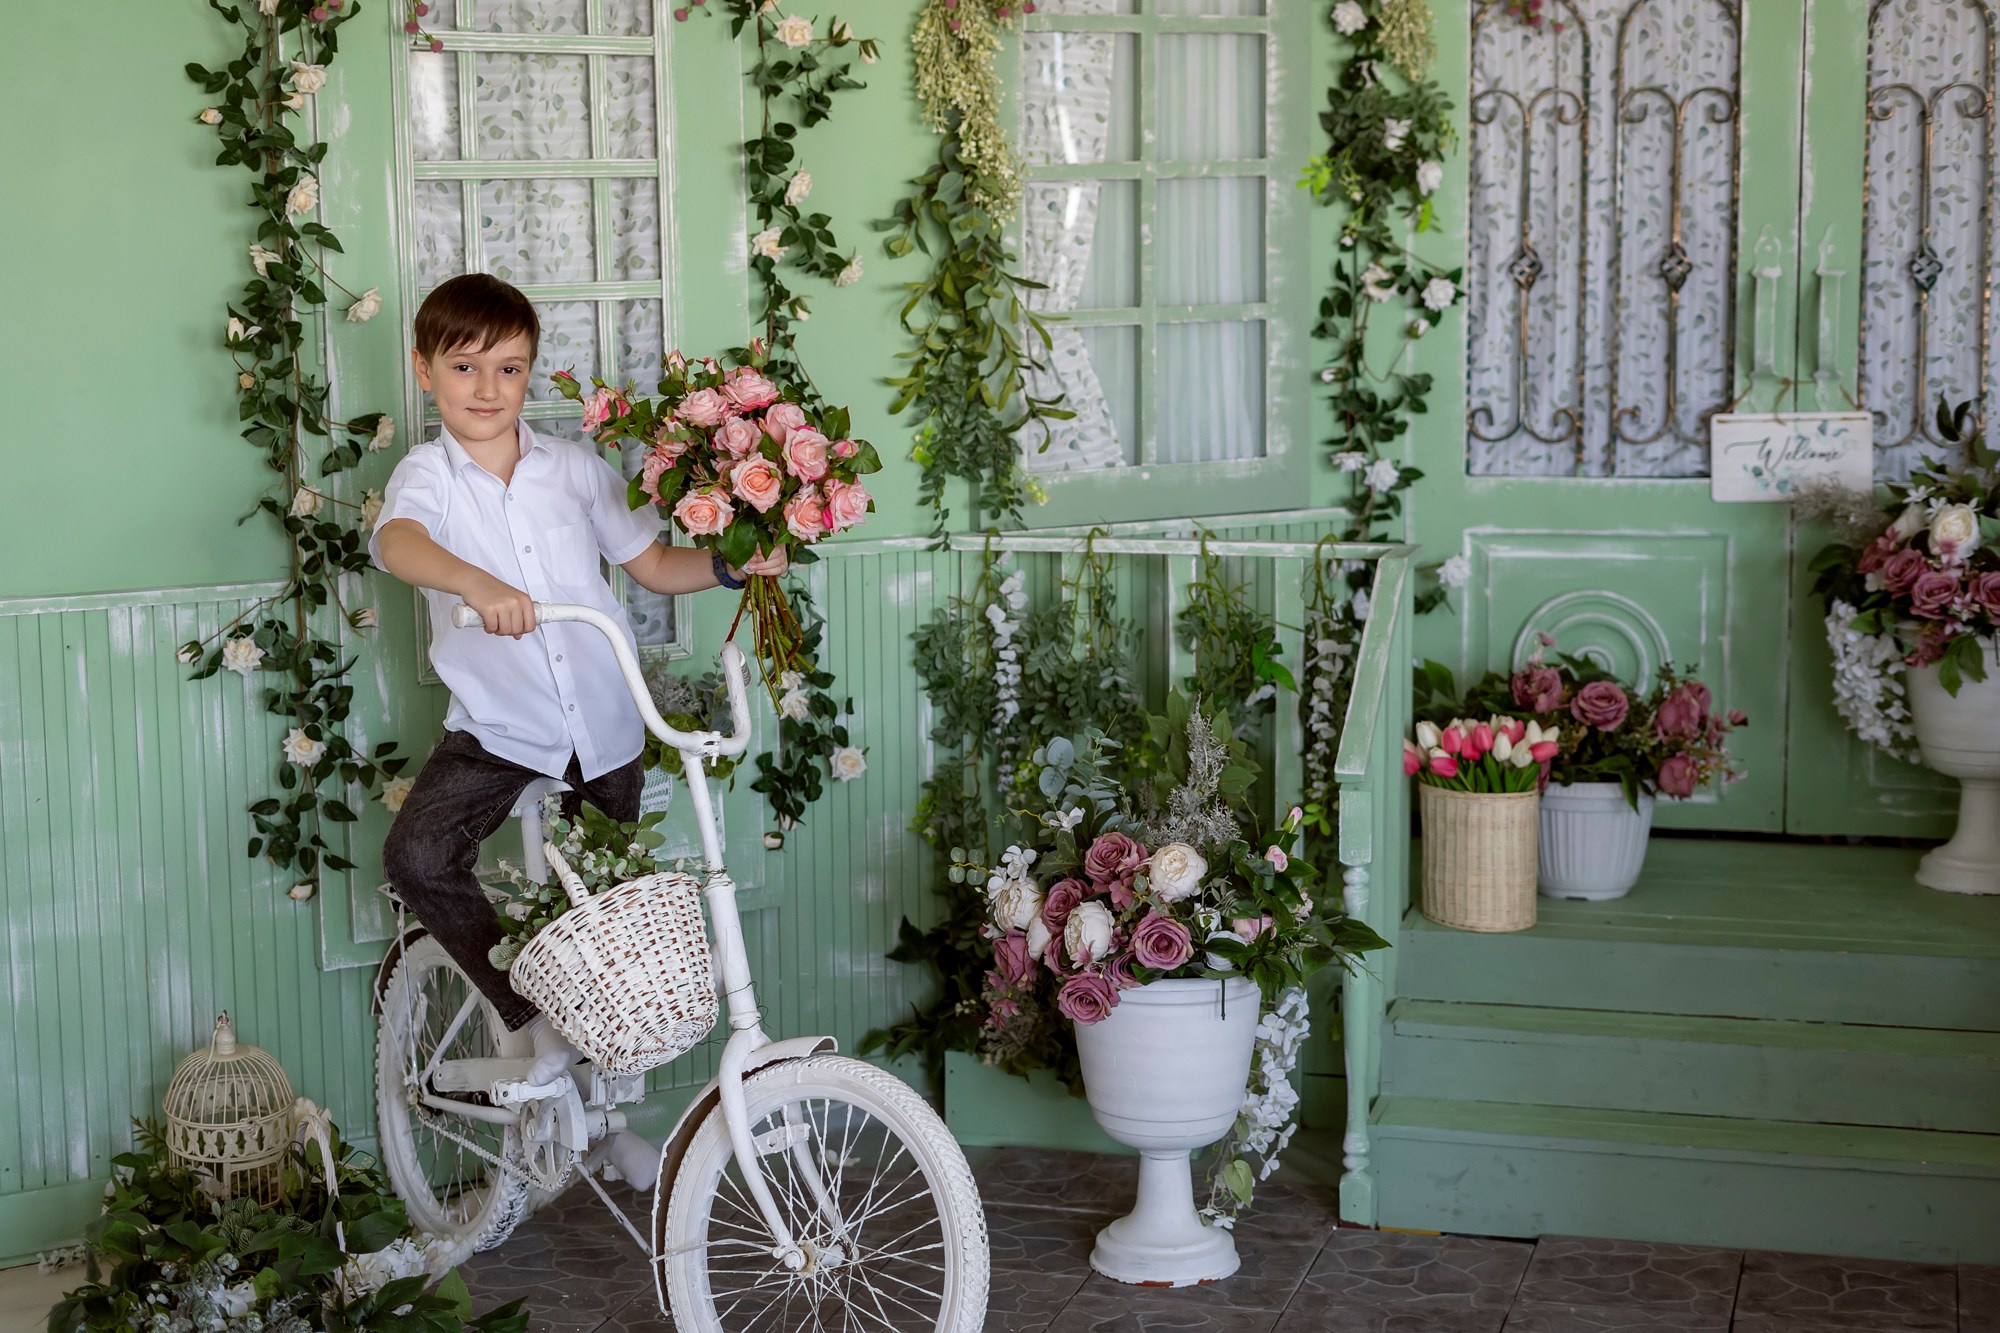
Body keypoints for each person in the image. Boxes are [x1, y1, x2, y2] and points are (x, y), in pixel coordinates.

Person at [371, 273, 785, 1190]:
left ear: (528, 376)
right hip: (500, 727)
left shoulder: (574, 470)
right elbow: (398, 542)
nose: (487, 388)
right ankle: (527, 1018)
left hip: (604, 720)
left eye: (508, 368)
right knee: (420, 853)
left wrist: (728, 563)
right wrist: (474, 584)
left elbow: (650, 562)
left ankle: (605, 1119)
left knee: (612, 922)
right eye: (465, 366)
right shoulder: (427, 478)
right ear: (425, 370)